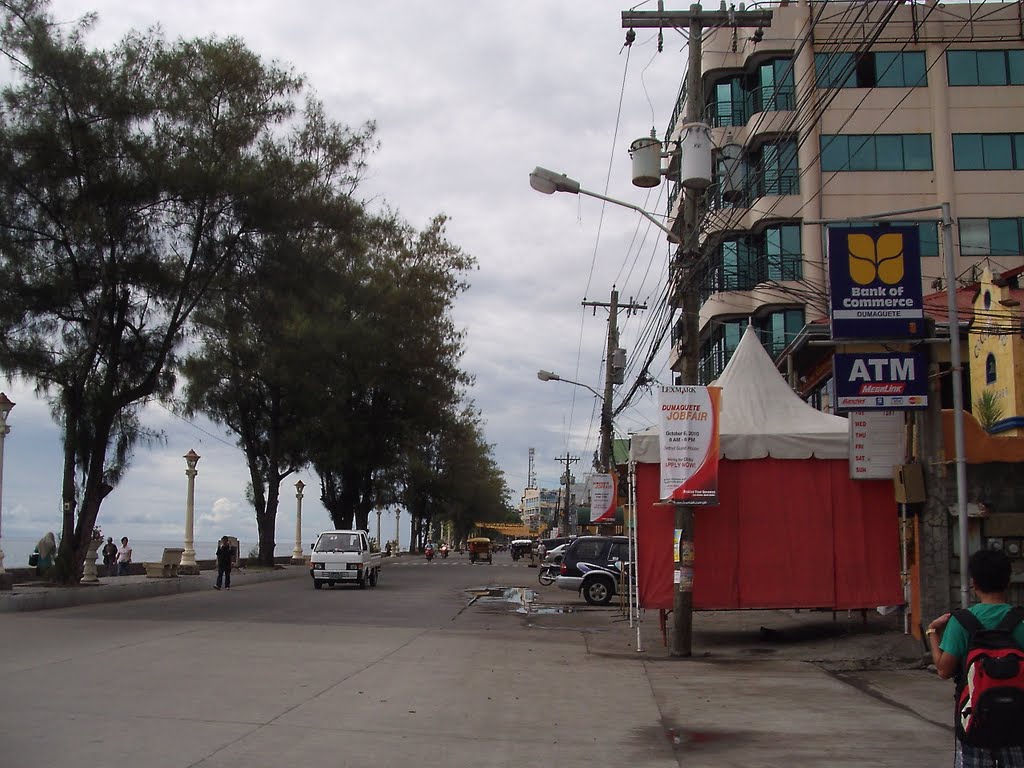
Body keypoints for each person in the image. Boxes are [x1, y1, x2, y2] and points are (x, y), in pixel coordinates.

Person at [928, 548, 1024, 768]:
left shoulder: (961, 622)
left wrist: (932, 632)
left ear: (974, 584)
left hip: (974, 721)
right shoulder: (1020, 621)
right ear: (1008, 582)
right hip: (1018, 722)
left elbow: (944, 670)